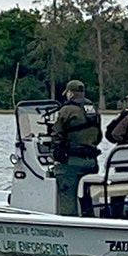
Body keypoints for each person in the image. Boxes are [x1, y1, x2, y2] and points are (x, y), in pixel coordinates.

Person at [50, 79, 102, 217]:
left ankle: (68, 226)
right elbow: (98, 136)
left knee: (66, 196)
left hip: (71, 163)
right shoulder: (93, 109)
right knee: (87, 197)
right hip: (91, 162)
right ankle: (90, 221)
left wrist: (57, 157)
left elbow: (56, 135)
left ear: (70, 93)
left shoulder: (66, 110)